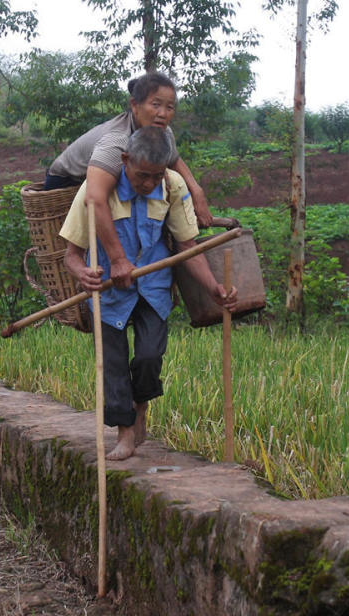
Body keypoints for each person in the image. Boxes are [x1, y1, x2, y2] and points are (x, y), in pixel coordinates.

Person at [60, 127, 237, 461]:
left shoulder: (172, 185)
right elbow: (71, 255)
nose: (148, 184)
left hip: (153, 286)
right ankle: (124, 434)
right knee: (113, 365)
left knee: (148, 357)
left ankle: (140, 408)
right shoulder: (97, 189)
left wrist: (214, 288)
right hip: (109, 293)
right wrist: (84, 274)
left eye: (156, 176)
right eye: (142, 176)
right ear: (125, 160)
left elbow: (188, 247)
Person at [43, 72, 214, 228]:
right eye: (155, 104)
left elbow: (174, 160)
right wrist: (119, 260)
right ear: (134, 105)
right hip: (67, 180)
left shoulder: (163, 132)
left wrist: (197, 193)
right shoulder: (117, 140)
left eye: (169, 107)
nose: (163, 113)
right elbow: (95, 199)